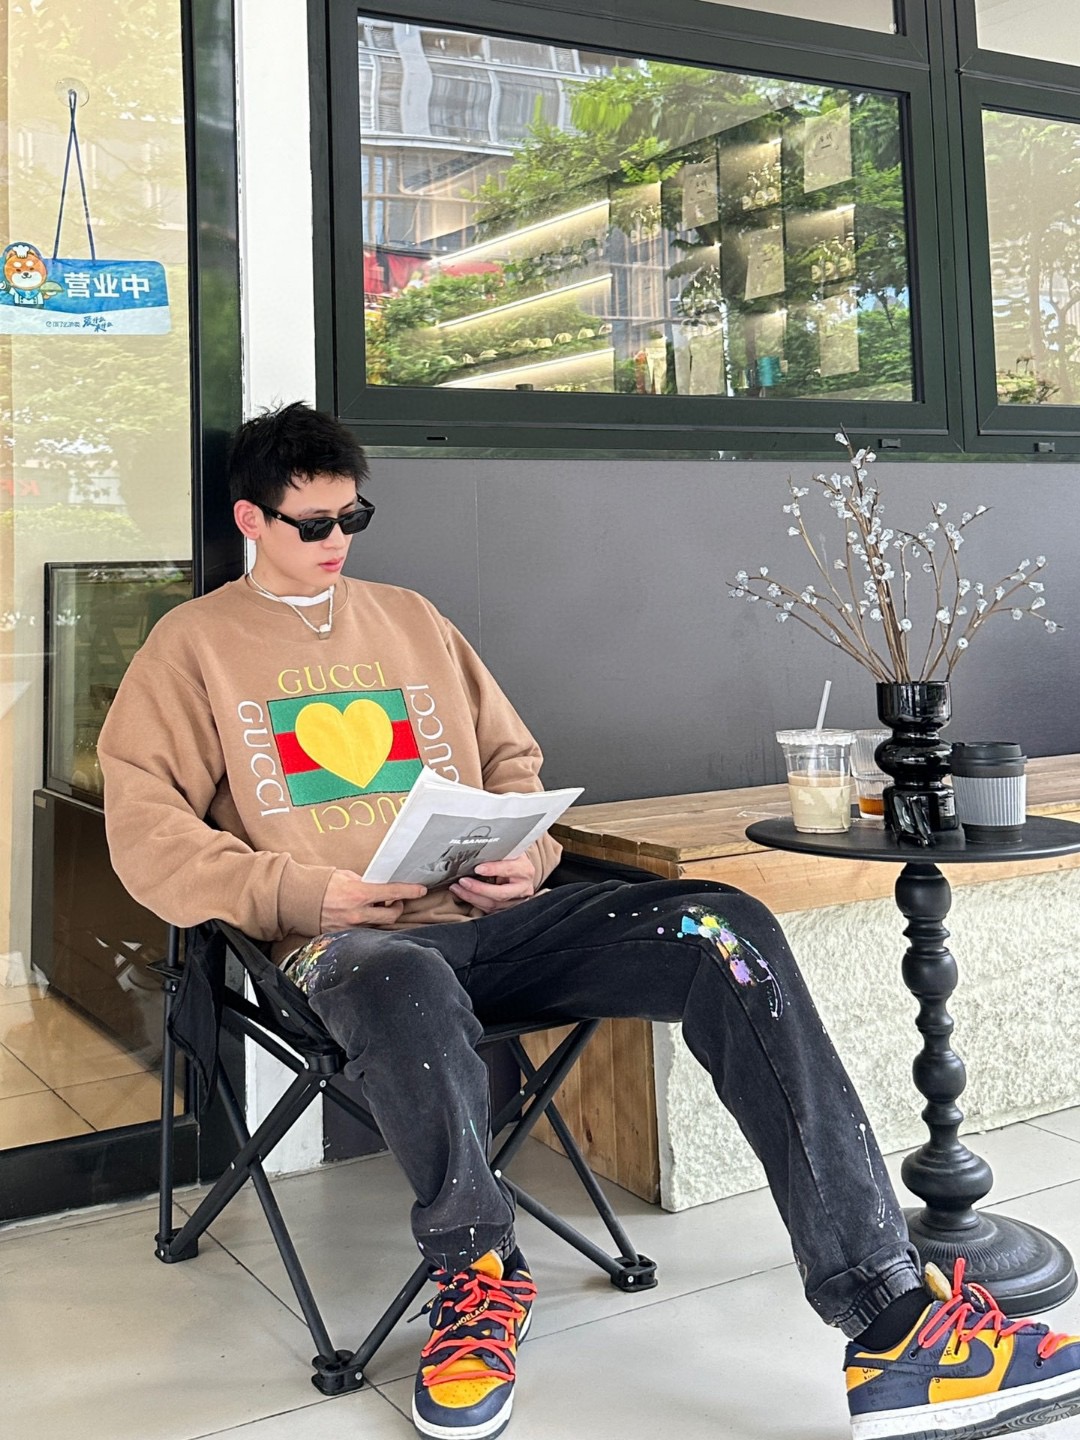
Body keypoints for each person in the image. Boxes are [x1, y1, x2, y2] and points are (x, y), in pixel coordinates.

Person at [98, 402, 1080, 1440]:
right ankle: (477, 1278)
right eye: (313, 524)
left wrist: (525, 855)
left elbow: (511, 761)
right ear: (251, 519)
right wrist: (302, 893)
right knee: (401, 975)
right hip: (342, 951)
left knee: (724, 928)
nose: (338, 540)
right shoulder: (191, 647)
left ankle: (888, 1314)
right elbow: (146, 834)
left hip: (492, 927)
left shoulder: (412, 618)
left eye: (355, 518)